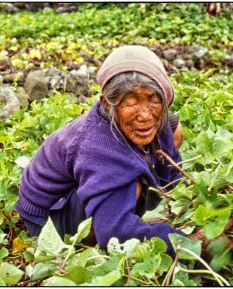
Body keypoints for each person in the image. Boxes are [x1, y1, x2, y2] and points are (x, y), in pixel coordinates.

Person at [15, 45, 189, 256]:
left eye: (153, 100)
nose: (144, 115)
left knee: (173, 128)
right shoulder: (100, 148)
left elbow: (174, 179)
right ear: (108, 104)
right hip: (48, 215)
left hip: (79, 186)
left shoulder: (156, 118)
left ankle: (124, 206)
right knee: (131, 183)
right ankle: (102, 222)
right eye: (131, 103)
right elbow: (115, 234)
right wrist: (185, 241)